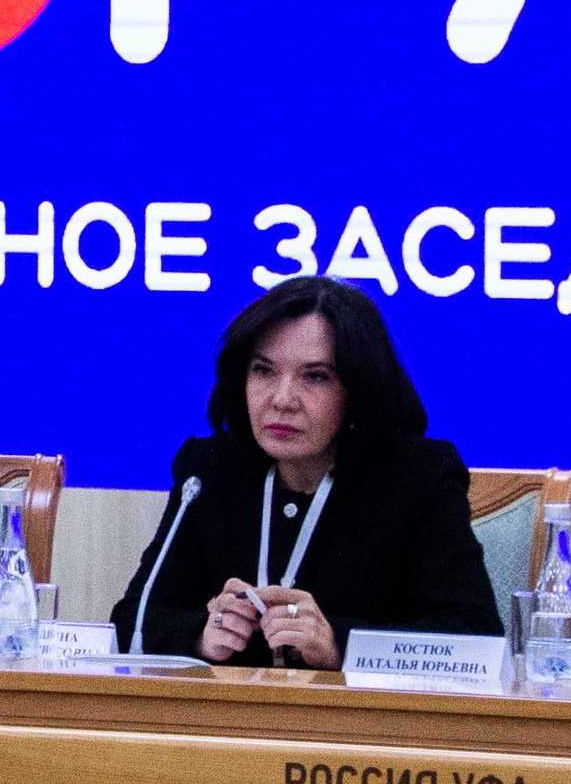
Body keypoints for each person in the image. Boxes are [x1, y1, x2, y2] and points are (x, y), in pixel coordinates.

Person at [111, 275, 501, 667]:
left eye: (315, 376)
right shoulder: (207, 470)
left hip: (355, 708)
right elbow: (131, 622)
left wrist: (339, 645)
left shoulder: (418, 477)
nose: (282, 400)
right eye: (264, 370)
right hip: (232, 706)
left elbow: (477, 639)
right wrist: (201, 636)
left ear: (358, 388)